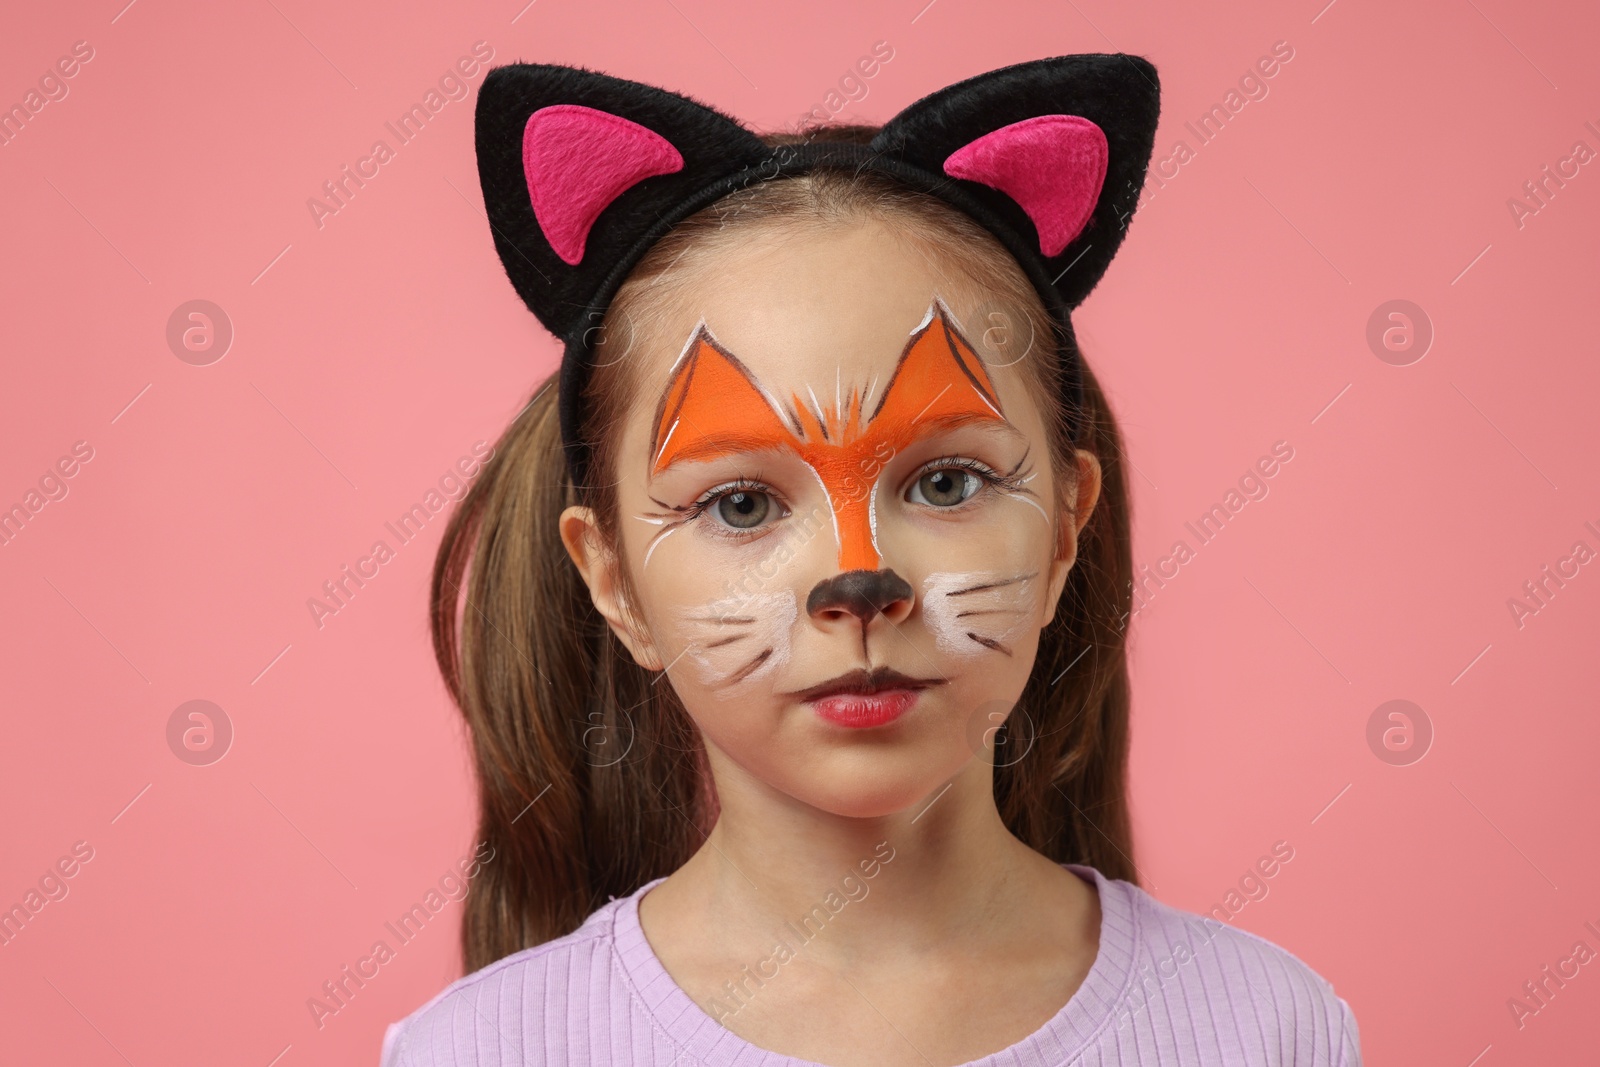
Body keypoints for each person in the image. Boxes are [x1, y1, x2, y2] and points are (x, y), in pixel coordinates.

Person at [381, 54, 1361, 1066]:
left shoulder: (1262, 1027)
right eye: (742, 501)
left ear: (1065, 527)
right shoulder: (486, 1050)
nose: (858, 582)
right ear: (615, 581)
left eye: (945, 483)